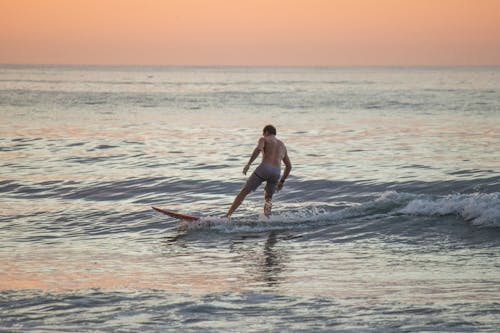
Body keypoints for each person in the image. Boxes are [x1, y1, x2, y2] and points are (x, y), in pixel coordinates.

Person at [226, 125, 292, 218]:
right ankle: (267, 219)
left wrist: (248, 164)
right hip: (276, 172)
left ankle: (227, 215)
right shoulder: (282, 145)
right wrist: (282, 181)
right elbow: (289, 166)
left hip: (265, 168)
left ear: (266, 132)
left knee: (244, 192)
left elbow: (258, 149)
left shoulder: (264, 139)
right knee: (268, 198)